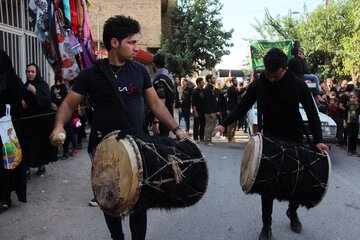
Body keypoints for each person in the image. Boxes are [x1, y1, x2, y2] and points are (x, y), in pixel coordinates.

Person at [50, 15, 187, 240]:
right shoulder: (91, 74)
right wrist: (58, 127)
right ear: (115, 43)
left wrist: (176, 129)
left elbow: (155, 104)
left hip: (137, 144)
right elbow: (68, 103)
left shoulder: (140, 71)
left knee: (139, 200)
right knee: (109, 198)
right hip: (104, 147)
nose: (136, 48)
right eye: (131, 43)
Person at [214, 48, 329, 240]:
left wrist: (318, 141)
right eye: (268, 74)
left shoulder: (298, 85)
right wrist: (223, 124)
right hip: (269, 139)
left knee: (296, 181)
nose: (272, 79)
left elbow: (312, 114)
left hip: (294, 138)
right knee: (266, 185)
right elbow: (242, 107)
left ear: (284, 69)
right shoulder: (259, 85)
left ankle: (292, 212)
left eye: (275, 75)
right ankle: (266, 225)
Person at [21, 63, 58, 177]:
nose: (30, 74)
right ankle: (27, 168)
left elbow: (47, 101)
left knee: (41, 144)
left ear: (37, 73)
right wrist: (21, 100)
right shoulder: (24, 86)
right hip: (29, 123)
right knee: (28, 145)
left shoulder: (42, 85)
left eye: (32, 71)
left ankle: (41, 166)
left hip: (41, 122)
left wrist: (35, 91)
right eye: (28, 71)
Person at [0, 50, 26, 213]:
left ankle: (5, 198)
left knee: (5, 166)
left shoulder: (13, 82)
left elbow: (18, 108)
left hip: (6, 134)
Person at [151, 52, 176, 136]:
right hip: (168, 117)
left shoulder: (160, 79)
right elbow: (173, 100)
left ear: (153, 64)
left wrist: (156, 121)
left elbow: (161, 100)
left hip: (162, 119)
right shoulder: (170, 78)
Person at [50, 78, 72, 159]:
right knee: (55, 133)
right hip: (54, 114)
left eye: (59, 81)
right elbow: (50, 98)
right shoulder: (52, 88)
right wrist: (51, 103)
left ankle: (65, 151)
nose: (58, 83)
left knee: (64, 133)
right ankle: (55, 153)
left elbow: (64, 100)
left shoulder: (64, 88)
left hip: (63, 114)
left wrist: (57, 95)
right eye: (57, 81)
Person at [203, 74, 218, 146]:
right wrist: (211, 112)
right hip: (209, 112)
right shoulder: (207, 89)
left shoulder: (211, 88)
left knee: (212, 126)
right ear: (209, 80)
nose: (215, 80)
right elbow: (207, 102)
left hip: (213, 111)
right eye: (213, 78)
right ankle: (207, 140)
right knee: (209, 126)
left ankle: (210, 140)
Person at [344, 92, 360, 156]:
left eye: (354, 97)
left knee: (355, 136)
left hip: (356, 122)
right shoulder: (348, 105)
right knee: (350, 136)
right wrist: (344, 122)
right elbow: (345, 114)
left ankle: (354, 150)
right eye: (351, 98)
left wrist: (356, 105)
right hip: (350, 122)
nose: (353, 99)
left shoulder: (358, 105)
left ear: (357, 98)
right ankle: (349, 150)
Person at [191, 77, 205, 142]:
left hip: (203, 110)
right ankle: (195, 138)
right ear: (199, 83)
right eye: (202, 82)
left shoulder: (203, 90)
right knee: (196, 124)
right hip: (197, 110)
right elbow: (193, 103)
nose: (203, 83)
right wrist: (195, 112)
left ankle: (202, 137)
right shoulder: (195, 91)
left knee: (203, 124)